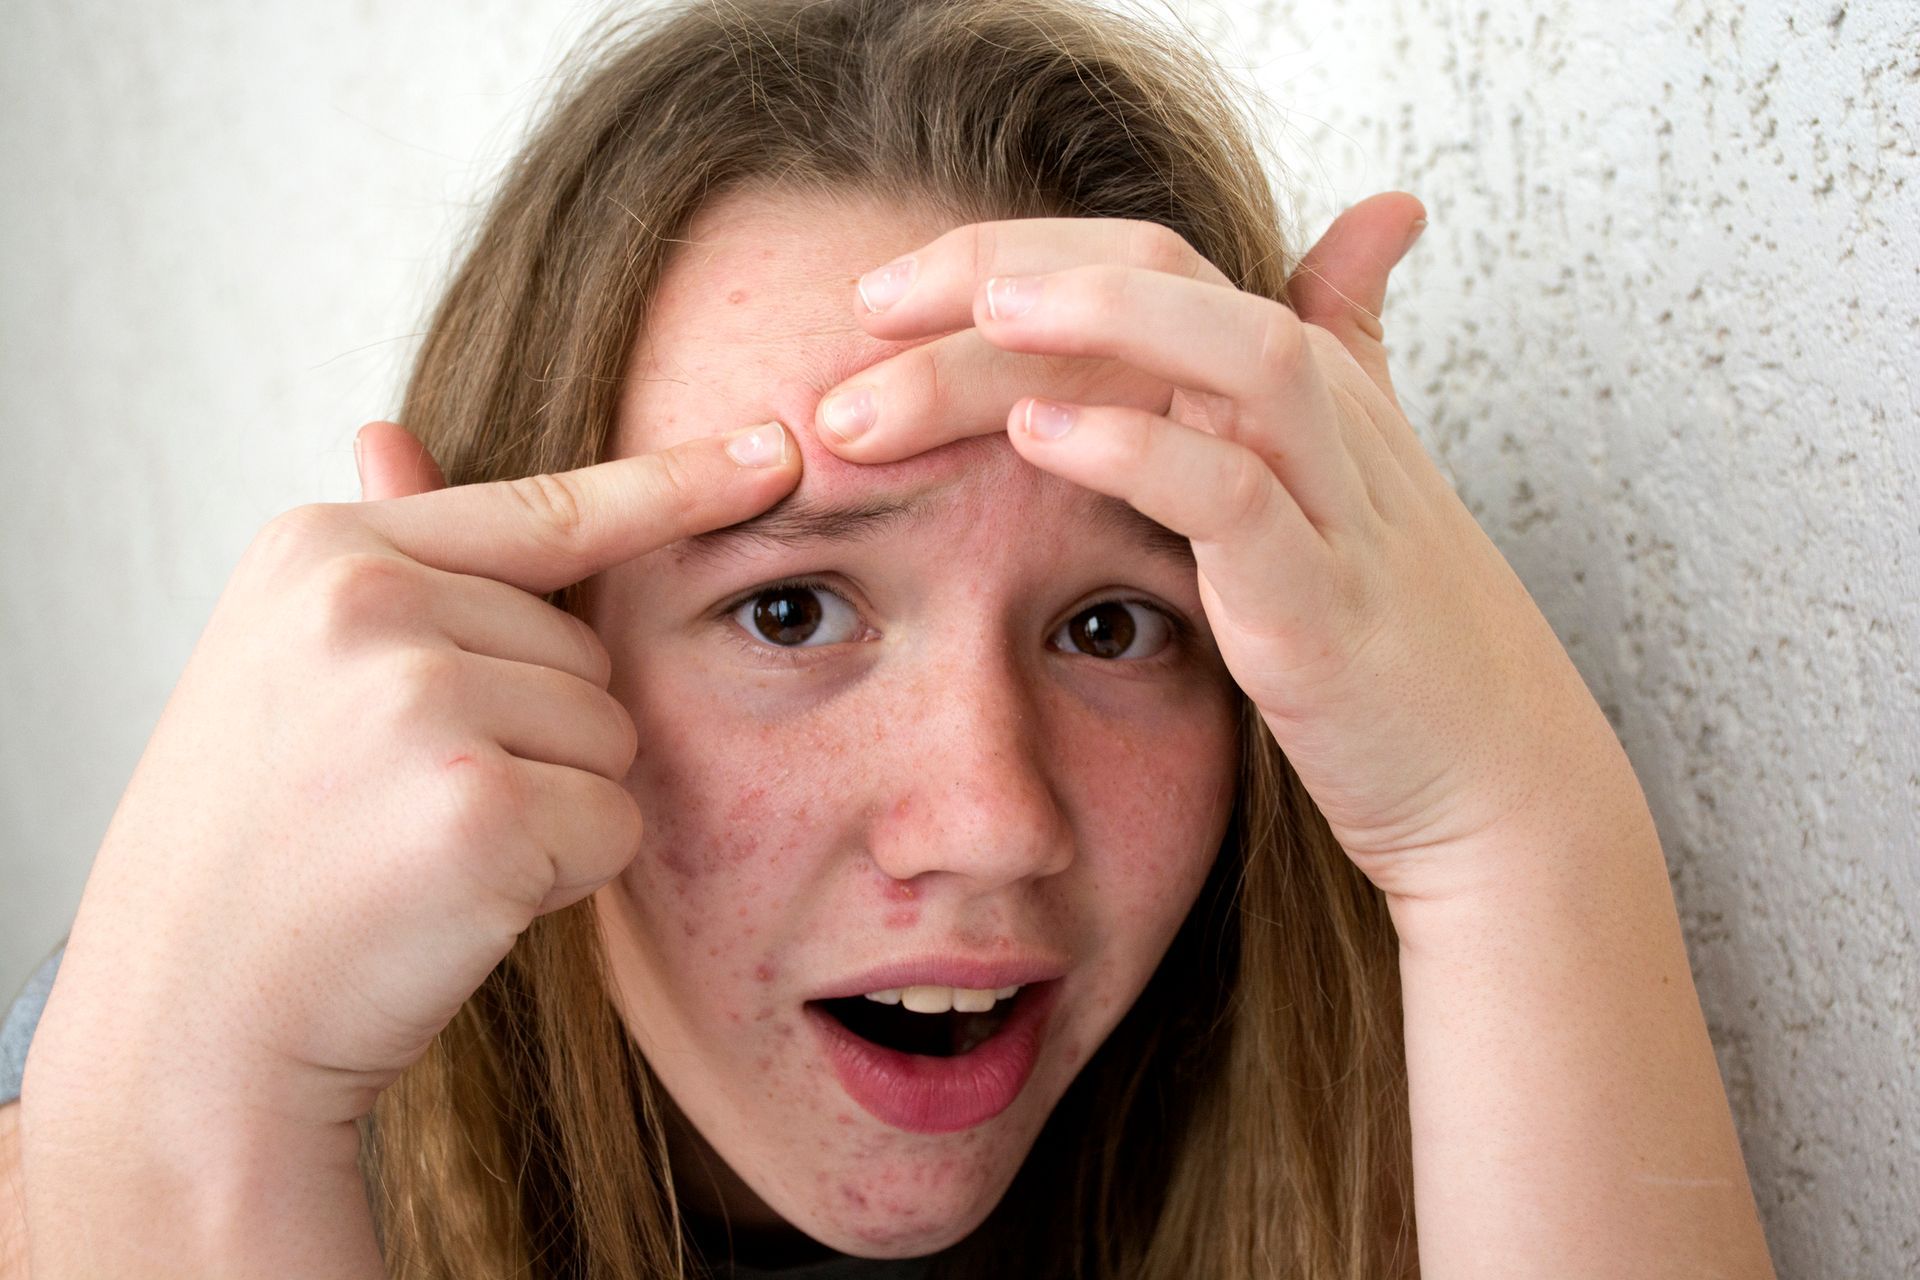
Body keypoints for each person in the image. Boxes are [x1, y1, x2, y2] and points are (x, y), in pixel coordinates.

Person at [2, 0, 1778, 1276]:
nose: (997, 819)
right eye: (788, 609)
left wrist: (1514, 838)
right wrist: (188, 1114)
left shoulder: (1427, 1133)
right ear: (500, 645)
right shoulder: (122, 1117)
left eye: (1111, 622)